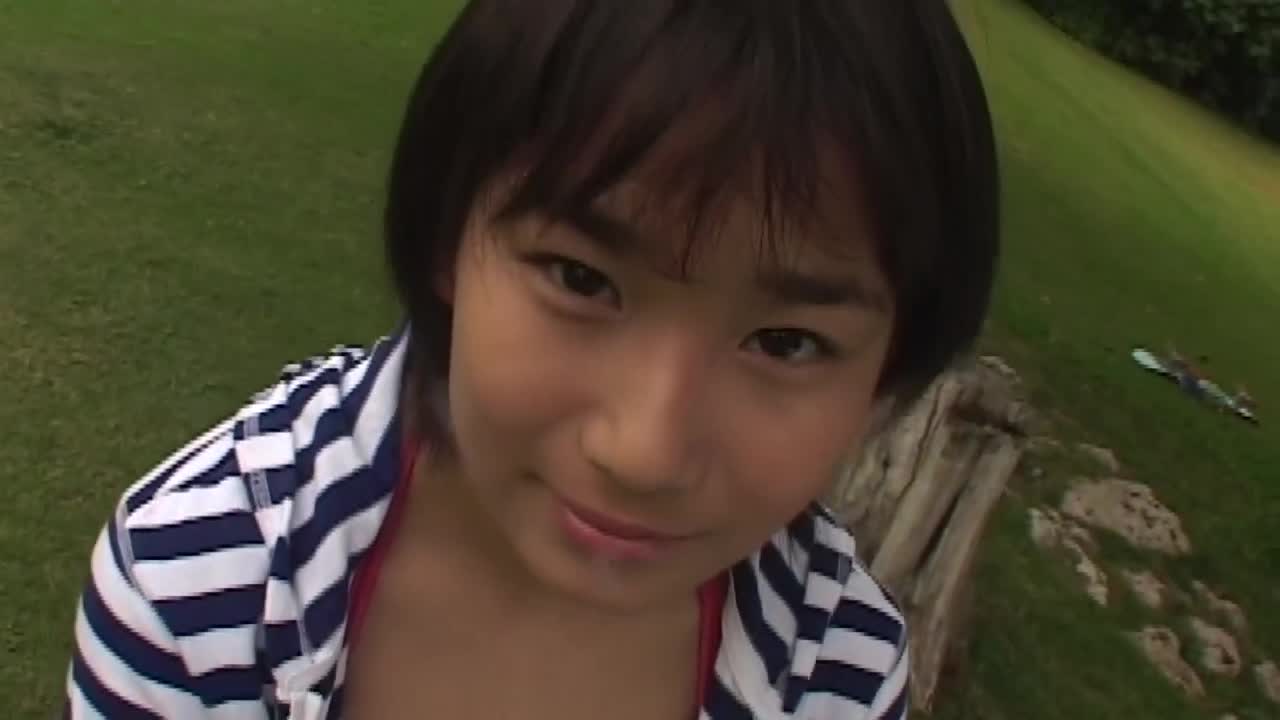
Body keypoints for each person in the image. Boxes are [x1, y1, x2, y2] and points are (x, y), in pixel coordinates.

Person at [64, 1, 999, 718]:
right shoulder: (200, 596)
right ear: (447, 234)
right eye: (582, 279)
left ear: (888, 374)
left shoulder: (842, 674)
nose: (645, 453)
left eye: (786, 342)